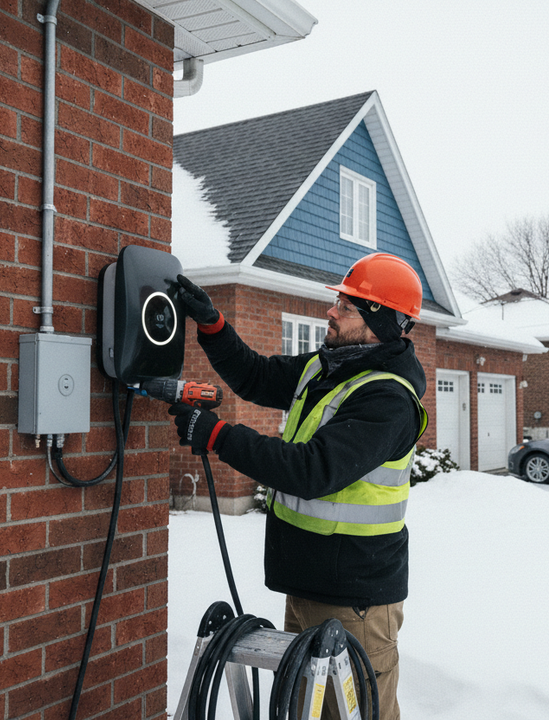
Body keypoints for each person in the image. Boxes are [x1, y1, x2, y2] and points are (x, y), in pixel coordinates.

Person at [170, 252, 428, 720]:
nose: (331, 311)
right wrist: (213, 326)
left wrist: (217, 435)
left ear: (380, 323)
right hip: (309, 582)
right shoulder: (328, 367)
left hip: (357, 603)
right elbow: (257, 376)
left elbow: (312, 471)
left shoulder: (388, 398)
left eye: (347, 306)